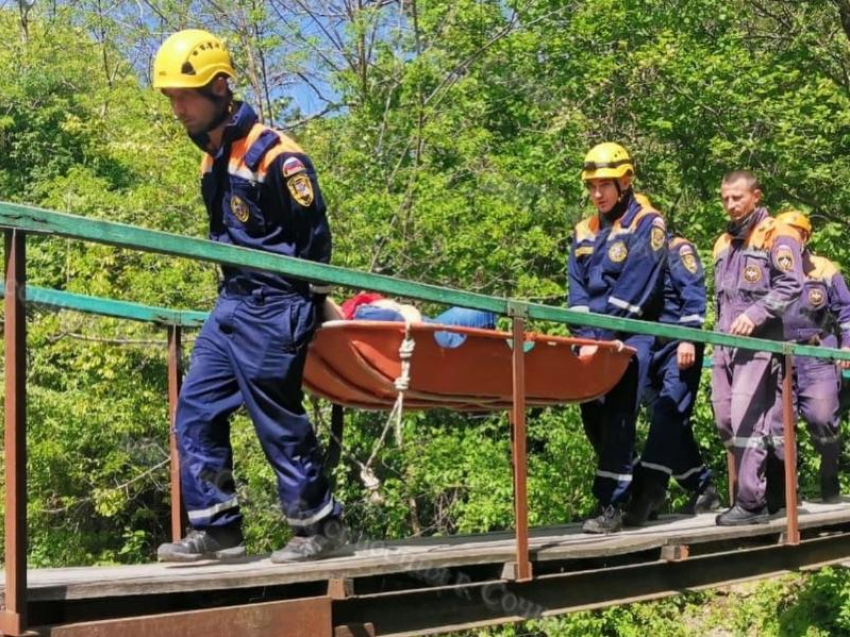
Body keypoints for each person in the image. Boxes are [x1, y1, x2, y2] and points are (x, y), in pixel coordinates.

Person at [152, 29, 345, 562]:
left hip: (277, 303)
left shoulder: (276, 156)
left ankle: (320, 527)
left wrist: (311, 303)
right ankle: (218, 529)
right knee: (195, 411)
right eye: (171, 98)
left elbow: (314, 238)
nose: (178, 109)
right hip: (232, 301)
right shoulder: (211, 158)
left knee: (275, 417)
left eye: (185, 97)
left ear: (219, 88)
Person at [567, 142, 668, 533]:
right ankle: (642, 490)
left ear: (625, 182)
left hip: (631, 334)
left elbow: (635, 287)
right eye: (592, 187)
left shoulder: (647, 224)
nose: (597, 194)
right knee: (593, 417)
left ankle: (610, 502)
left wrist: (605, 338)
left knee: (619, 415)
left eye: (604, 186)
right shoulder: (584, 230)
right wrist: (585, 338)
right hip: (592, 338)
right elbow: (576, 291)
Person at [711, 171, 803, 526]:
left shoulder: (777, 234)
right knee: (724, 418)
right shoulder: (724, 242)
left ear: (756, 196)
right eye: (725, 198)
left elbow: (791, 284)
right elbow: (722, 298)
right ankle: (775, 489)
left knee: (747, 418)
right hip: (725, 343)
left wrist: (755, 314)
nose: (731, 205)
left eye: (737, 197)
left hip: (759, 342)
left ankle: (752, 502)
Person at [624, 233, 719, 525]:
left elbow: (693, 292)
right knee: (667, 418)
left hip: (678, 343)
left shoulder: (677, 249)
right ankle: (702, 485)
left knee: (668, 411)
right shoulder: (632, 250)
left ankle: (649, 489)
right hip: (647, 345)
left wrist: (688, 337)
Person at [776, 210, 850, 503]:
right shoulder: (770, 267)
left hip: (817, 352)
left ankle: (829, 473)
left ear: (805, 237)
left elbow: (846, 309)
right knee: (779, 423)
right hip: (779, 355)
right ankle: (787, 491)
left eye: (794, 234)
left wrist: (847, 346)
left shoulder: (822, 268)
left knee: (822, 417)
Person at [329, 291, 497, 348]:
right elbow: (406, 320)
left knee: (467, 311)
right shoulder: (362, 316)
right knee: (485, 310)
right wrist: (401, 308)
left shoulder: (354, 316)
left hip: (432, 328)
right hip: (432, 338)